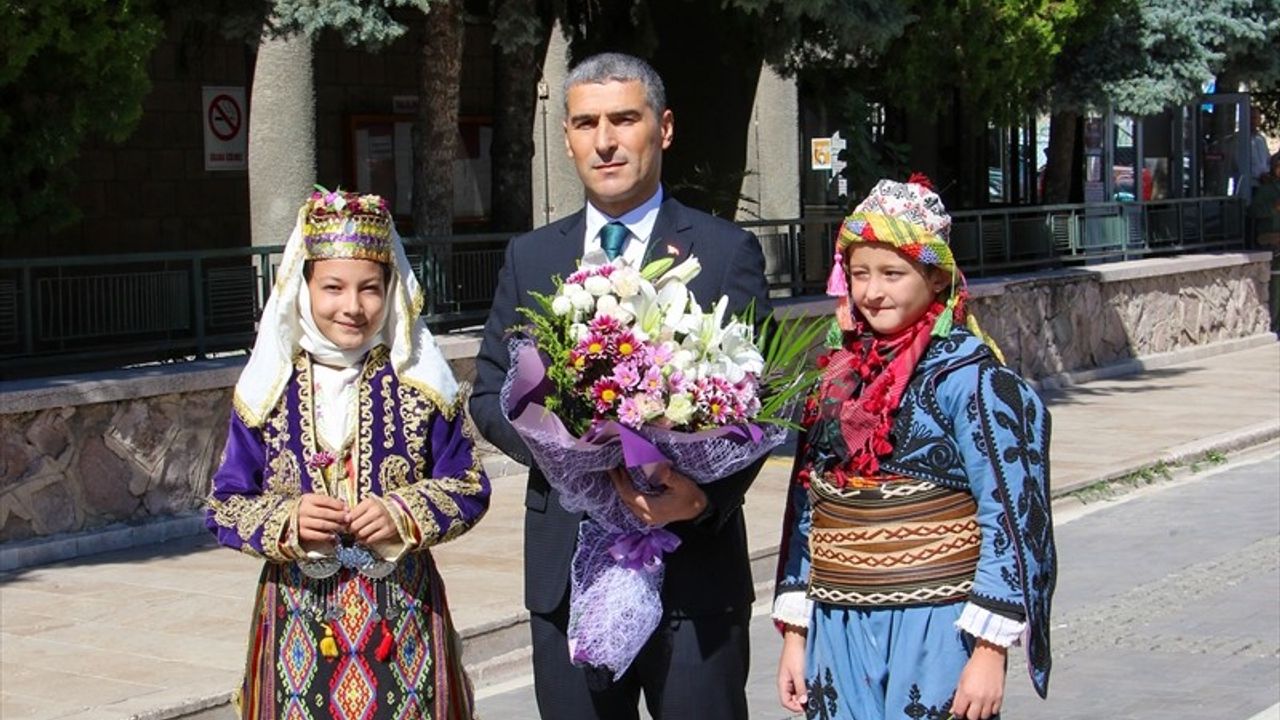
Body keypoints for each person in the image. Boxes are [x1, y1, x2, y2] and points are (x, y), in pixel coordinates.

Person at [469, 52, 771, 720]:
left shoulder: (723, 253)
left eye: (623, 119)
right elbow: (490, 394)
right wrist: (574, 457)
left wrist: (698, 496)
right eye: (585, 123)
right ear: (569, 136)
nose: (604, 140)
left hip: (695, 577)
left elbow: (766, 399)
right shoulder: (531, 257)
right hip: (567, 578)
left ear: (662, 129)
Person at [773, 176, 1057, 720]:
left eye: (892, 273)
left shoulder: (971, 381)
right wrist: (795, 634)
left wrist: (989, 652)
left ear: (936, 278)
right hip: (838, 624)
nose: (872, 291)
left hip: (938, 624)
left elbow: (1014, 516)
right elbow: (805, 509)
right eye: (859, 274)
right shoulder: (834, 378)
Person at [206, 189, 490, 719]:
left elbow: (469, 487)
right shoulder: (268, 388)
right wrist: (288, 519)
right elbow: (224, 503)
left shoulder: (420, 382)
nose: (352, 307)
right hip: (297, 619)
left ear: (392, 291)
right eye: (333, 287)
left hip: (401, 620)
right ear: (302, 288)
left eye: (370, 289)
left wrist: (401, 513)